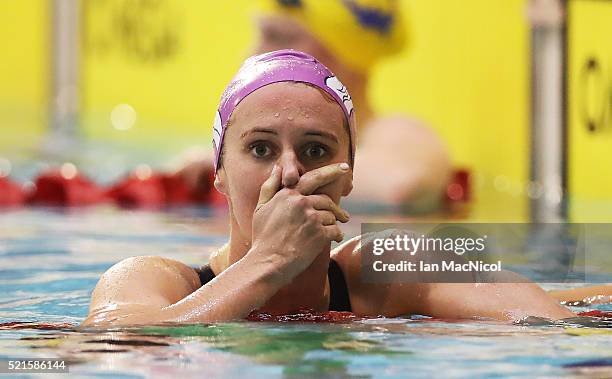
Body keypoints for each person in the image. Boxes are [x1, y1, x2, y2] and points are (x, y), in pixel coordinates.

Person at [82, 50, 610, 328]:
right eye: (261, 149)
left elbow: (549, 324)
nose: (289, 172)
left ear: (351, 173)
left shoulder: (392, 262)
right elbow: (110, 348)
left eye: (315, 150)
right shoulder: (150, 282)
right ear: (219, 172)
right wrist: (268, 260)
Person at [178, 0, 451, 212]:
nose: (252, 54)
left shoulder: (395, 133)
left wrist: (242, 165)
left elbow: (401, 184)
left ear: (346, 54)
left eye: (278, 36)